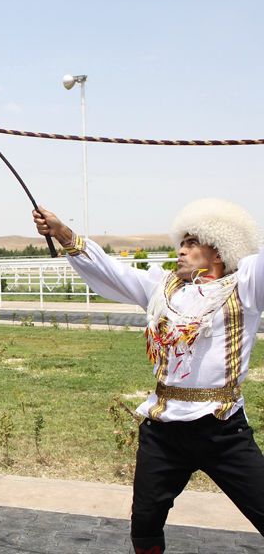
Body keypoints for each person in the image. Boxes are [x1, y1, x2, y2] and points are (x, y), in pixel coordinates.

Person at [33, 199, 264, 554]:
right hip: (163, 432)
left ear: (218, 252)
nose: (181, 251)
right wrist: (63, 232)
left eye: (191, 244)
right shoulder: (162, 288)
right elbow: (112, 272)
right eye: (181, 243)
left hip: (222, 429)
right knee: (144, 520)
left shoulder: (245, 287)